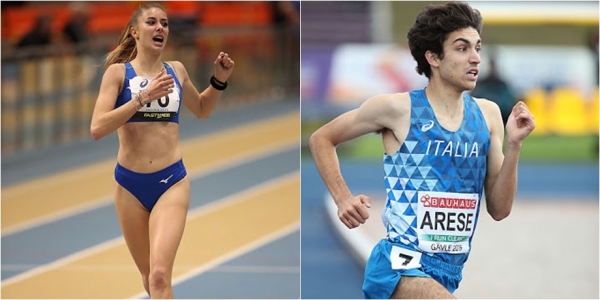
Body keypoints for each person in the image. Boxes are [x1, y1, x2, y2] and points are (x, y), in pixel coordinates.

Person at [309, 2, 535, 299]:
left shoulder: (488, 115)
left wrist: (514, 145)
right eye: (462, 48)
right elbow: (322, 138)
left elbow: (500, 209)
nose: (476, 58)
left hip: (449, 273)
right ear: (433, 57)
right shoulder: (398, 109)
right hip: (398, 266)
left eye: (477, 47)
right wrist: (342, 198)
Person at [90, 2, 234, 299]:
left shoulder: (176, 70)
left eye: (165, 24)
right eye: (152, 22)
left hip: (171, 182)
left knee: (158, 277)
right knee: (148, 278)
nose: (160, 28)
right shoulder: (118, 74)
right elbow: (97, 128)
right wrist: (143, 97)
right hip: (129, 186)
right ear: (135, 32)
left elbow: (203, 109)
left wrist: (219, 80)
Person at [470, 57, 517, 126]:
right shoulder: (481, 82)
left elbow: (509, 98)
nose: (492, 68)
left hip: (502, 111)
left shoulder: (502, 83)